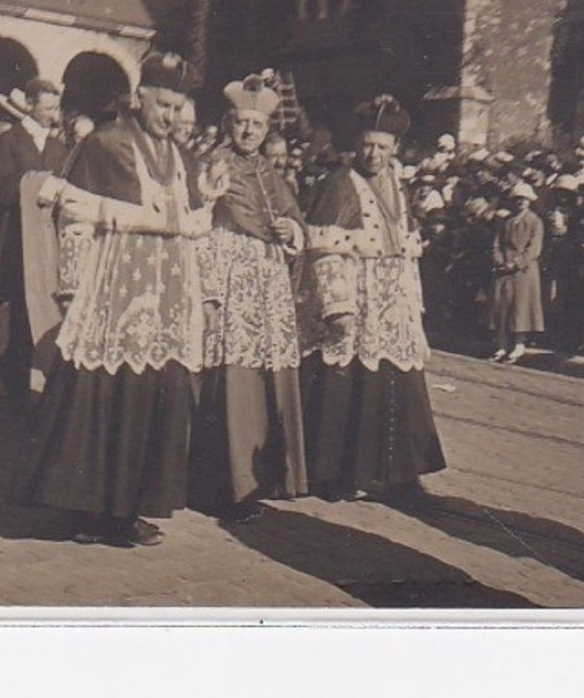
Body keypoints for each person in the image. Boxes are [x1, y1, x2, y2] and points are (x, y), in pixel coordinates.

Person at [15, 52, 228, 548]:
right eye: (163, 105)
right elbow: (74, 221)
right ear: (140, 98)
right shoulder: (104, 145)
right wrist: (70, 285)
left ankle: (129, 508)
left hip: (168, 296)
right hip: (115, 290)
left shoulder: (181, 158)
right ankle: (87, 507)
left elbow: (198, 231)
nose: (171, 117)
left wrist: (208, 293)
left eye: (178, 107)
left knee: (154, 397)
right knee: (104, 393)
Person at [297, 94, 446, 504]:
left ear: (395, 148)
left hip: (391, 298)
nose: (373, 153)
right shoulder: (339, 182)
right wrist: (336, 306)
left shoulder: (398, 184)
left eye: (382, 146)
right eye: (367, 145)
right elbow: (323, 247)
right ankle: (335, 474)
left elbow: (404, 243)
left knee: (398, 383)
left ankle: (402, 475)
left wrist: (412, 304)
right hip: (354, 296)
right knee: (347, 386)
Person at [189, 74, 309, 520]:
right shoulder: (213, 164)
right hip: (228, 276)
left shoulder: (271, 173)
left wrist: (291, 230)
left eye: (256, 126)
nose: (248, 132)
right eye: (241, 123)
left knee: (265, 376)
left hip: (268, 282)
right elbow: (199, 217)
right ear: (227, 123)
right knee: (230, 376)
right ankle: (228, 485)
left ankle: (264, 478)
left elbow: (296, 221)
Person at [0, 80, 69, 402]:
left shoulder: (59, 146)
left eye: (56, 108)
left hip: (47, 245)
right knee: (19, 313)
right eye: (48, 108)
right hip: (17, 242)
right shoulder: (8, 141)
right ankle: (15, 390)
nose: (54, 114)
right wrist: (37, 184)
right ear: (31, 105)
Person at [490, 181, 545, 364]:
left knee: (521, 307)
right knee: (502, 306)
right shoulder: (506, 221)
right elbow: (497, 243)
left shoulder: (535, 221)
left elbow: (534, 249)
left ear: (529, 201)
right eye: (517, 199)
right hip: (504, 268)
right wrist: (500, 260)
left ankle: (519, 344)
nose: (520, 202)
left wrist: (516, 263)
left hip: (523, 270)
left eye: (523, 199)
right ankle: (502, 345)